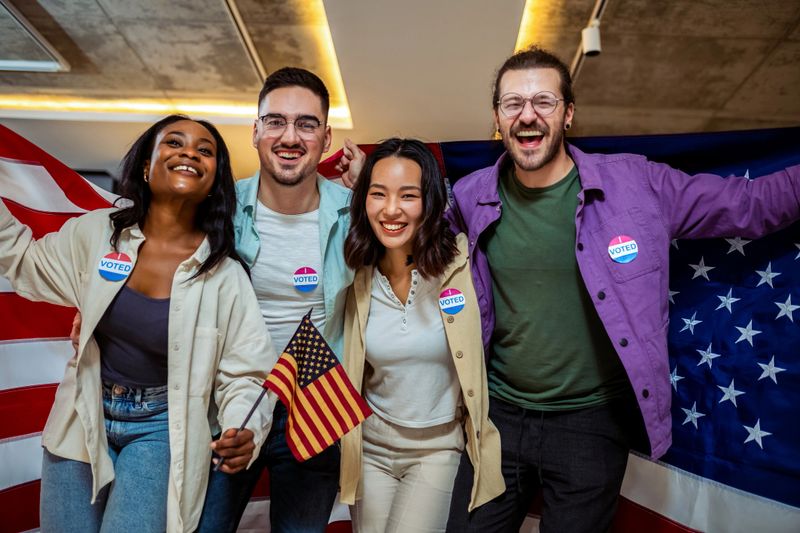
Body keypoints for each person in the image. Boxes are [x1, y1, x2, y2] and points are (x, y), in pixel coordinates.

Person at [445, 46, 800, 532]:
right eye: (513, 103)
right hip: (497, 418)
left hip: (591, 426)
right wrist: (364, 188)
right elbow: (412, 241)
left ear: (569, 114)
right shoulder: (471, 196)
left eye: (544, 101)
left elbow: (751, 204)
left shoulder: (638, 184)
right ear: (497, 118)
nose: (528, 115)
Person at [0, 115, 278, 532]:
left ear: (214, 182)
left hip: (161, 428)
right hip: (83, 412)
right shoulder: (96, 234)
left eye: (205, 151)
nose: (189, 153)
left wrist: (243, 426)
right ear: (147, 167)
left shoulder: (225, 276)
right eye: (174, 143)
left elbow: (247, 374)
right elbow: (24, 262)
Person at [197, 67, 362, 532]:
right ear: (255, 131)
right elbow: (157, 259)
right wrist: (102, 306)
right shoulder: (218, 209)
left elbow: (425, 246)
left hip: (316, 403)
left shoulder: (356, 213)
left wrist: (370, 183)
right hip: (229, 403)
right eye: (276, 122)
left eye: (306, 124)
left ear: (326, 139)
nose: (290, 137)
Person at [338, 138, 504, 532]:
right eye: (378, 194)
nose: (391, 209)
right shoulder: (356, 270)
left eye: (408, 195)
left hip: (437, 448)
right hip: (370, 446)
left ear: (430, 201)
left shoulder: (462, 263)